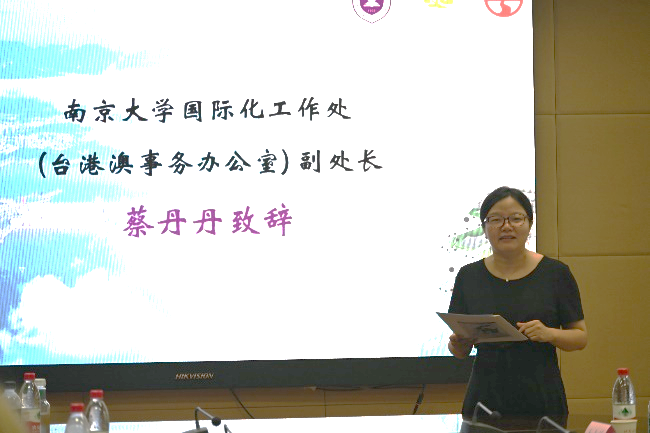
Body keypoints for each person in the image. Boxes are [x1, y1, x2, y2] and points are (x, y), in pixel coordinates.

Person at [447, 186, 587, 419]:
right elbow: (459, 351)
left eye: (516, 218)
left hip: (541, 399)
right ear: (484, 228)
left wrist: (549, 333)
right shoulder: (468, 276)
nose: (506, 226)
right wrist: (458, 344)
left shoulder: (555, 273)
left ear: (529, 224)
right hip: (484, 400)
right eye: (496, 219)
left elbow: (580, 337)